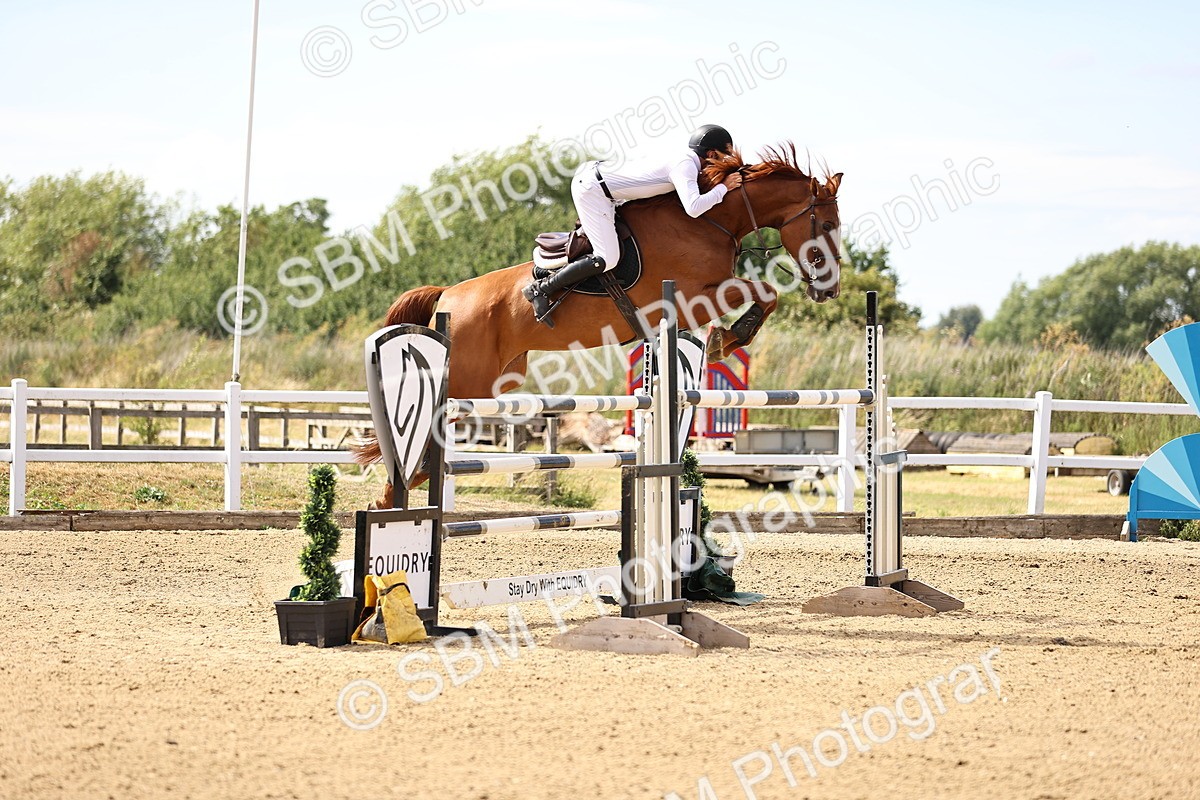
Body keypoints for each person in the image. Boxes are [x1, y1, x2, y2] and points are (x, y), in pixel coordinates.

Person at [523, 124, 743, 326]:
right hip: (594, 190)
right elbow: (694, 207)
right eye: (726, 157)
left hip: (605, 191)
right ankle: (541, 289)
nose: (727, 164)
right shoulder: (685, 165)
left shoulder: (685, 162)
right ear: (711, 154)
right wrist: (724, 188)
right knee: (607, 258)